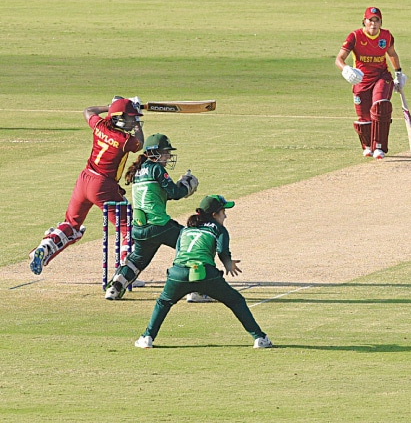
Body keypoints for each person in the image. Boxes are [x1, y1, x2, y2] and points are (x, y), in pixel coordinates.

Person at [134, 195, 272, 349]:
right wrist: (228, 264)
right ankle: (260, 338)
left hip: (177, 273)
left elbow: (179, 252)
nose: (225, 215)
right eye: (223, 211)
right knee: (236, 301)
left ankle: (147, 338)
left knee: (163, 303)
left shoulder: (186, 228)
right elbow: (222, 251)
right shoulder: (219, 229)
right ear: (214, 215)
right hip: (206, 274)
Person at [29, 96, 144, 275]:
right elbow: (140, 143)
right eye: (129, 118)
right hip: (103, 185)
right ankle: (125, 275)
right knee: (129, 229)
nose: (132, 122)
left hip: (85, 179)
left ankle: (45, 247)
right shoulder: (124, 141)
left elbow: (88, 111)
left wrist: (109, 107)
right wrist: (137, 123)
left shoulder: (100, 126)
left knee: (72, 224)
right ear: (118, 118)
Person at [104, 133, 199, 300]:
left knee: (135, 262)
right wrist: (186, 185)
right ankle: (196, 291)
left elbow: (158, 195)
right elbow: (174, 193)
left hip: (140, 228)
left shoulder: (138, 170)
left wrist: (178, 187)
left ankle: (115, 288)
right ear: (155, 153)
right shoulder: (156, 169)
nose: (168, 156)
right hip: (159, 225)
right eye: (165, 152)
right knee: (192, 244)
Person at [335, 7, 406, 160]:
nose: (373, 24)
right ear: (364, 21)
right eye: (370, 20)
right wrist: (346, 69)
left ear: (381, 22)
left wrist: (398, 74)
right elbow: (339, 59)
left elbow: (392, 54)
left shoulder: (386, 36)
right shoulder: (355, 36)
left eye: (377, 20)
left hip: (382, 76)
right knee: (364, 115)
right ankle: (368, 146)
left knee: (380, 106)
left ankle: (379, 146)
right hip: (361, 79)